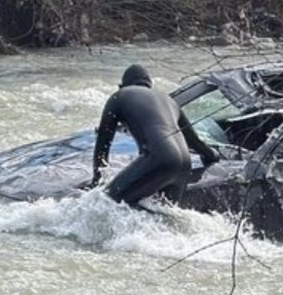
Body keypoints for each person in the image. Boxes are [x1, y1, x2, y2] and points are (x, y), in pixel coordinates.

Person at [91, 64, 220, 205]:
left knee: (105, 203)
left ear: (122, 86)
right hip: (184, 167)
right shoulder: (169, 101)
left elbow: (102, 145)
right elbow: (196, 143)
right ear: (149, 85)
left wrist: (97, 181)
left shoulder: (120, 96)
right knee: (163, 218)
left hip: (160, 160)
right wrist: (213, 155)